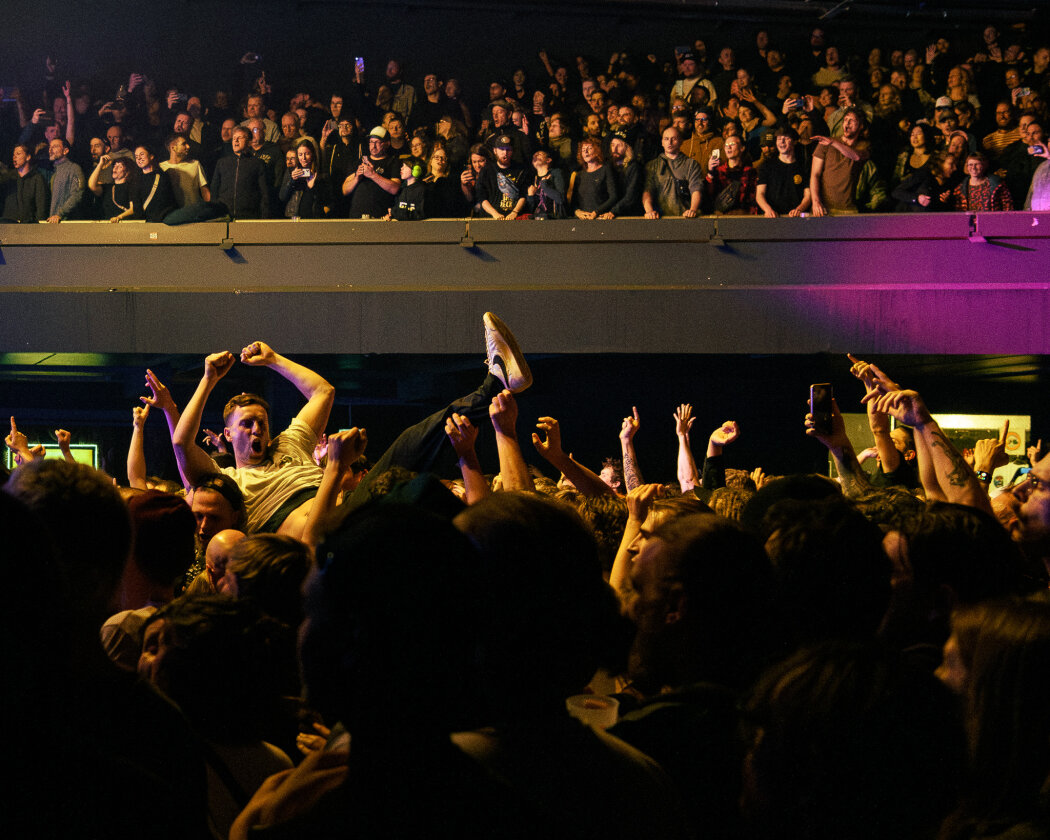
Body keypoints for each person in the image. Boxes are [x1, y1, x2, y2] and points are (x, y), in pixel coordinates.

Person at [170, 340, 335, 538]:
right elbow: (181, 442)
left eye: (262, 423)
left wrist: (273, 359)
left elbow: (323, 392)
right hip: (317, 538)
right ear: (228, 434)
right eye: (247, 424)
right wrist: (208, 380)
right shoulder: (227, 481)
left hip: (348, 508)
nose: (257, 429)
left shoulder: (289, 443)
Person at [809, 107, 871, 215]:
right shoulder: (825, 144)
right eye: (845, 120)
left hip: (849, 209)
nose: (847, 123)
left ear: (861, 126)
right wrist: (815, 201)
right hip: (824, 208)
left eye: (852, 120)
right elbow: (815, 174)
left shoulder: (864, 145)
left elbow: (855, 156)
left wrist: (832, 142)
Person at [211, 125, 270, 219]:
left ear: (249, 142)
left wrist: (264, 218)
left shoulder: (258, 164)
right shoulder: (222, 163)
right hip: (224, 216)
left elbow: (264, 194)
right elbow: (214, 190)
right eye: (234, 138)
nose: (236, 141)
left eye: (239, 138)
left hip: (249, 217)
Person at [643, 127, 703, 218]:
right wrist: (649, 211)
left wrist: (693, 210)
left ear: (681, 141)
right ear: (662, 142)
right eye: (666, 139)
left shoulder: (691, 164)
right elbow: (647, 191)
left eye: (673, 139)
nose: (669, 142)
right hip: (661, 219)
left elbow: (696, 189)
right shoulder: (652, 166)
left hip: (685, 218)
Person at [343, 126, 400, 219]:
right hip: (357, 216)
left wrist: (373, 175)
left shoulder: (393, 162)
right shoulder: (359, 162)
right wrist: (357, 177)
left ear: (387, 143)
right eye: (371, 142)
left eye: (377, 142)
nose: (373, 146)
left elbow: (395, 189)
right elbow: (345, 190)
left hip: (381, 217)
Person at [755, 126, 810, 217]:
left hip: (796, 218)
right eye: (779, 139)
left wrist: (799, 209)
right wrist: (768, 210)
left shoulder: (803, 166)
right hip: (773, 218)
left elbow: (808, 195)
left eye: (786, 138)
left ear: (795, 141)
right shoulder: (767, 165)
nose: (782, 141)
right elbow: (760, 194)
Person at [478, 135, 528, 220]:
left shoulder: (520, 170)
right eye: (501, 149)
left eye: (508, 149)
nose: (505, 153)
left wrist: (515, 212)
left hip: (514, 219)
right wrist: (494, 213)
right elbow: (481, 197)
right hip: (491, 219)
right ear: (495, 150)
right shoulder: (487, 170)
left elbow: (523, 195)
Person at [706, 134, 758, 215]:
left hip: (744, 218)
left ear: (742, 148)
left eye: (732, 144)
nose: (728, 147)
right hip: (722, 218)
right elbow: (709, 195)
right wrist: (710, 173)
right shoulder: (719, 171)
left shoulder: (750, 172)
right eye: (726, 145)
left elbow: (754, 198)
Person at [278, 138, 330, 218]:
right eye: (300, 154)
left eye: (307, 153)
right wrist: (292, 180)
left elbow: (327, 200)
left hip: (314, 218)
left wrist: (313, 187)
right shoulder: (291, 171)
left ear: (312, 154)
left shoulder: (320, 173)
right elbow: (282, 197)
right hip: (295, 217)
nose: (303, 158)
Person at [569, 138, 618, 219]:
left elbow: (613, 197)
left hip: (600, 218)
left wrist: (597, 212)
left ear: (597, 151)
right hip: (582, 220)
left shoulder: (606, 169)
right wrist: (577, 212)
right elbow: (573, 201)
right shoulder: (579, 175)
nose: (585, 152)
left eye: (589, 148)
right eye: (583, 149)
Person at [132, 144, 177, 222]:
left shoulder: (162, 176)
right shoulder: (136, 179)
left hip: (164, 220)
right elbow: (136, 205)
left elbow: (168, 200)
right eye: (136, 156)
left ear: (151, 156)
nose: (139, 158)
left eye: (142, 154)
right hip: (146, 222)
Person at [46, 136, 85, 222]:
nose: (50, 150)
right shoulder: (51, 170)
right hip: (52, 221)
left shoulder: (74, 168)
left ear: (65, 151)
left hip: (65, 222)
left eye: (55, 146)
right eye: (50, 147)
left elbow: (77, 195)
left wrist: (60, 213)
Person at [7, 144, 49, 223]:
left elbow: (41, 207)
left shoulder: (37, 178)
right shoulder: (10, 179)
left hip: (29, 227)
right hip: (10, 226)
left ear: (28, 157)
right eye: (13, 154)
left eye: (18, 154)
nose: (14, 157)